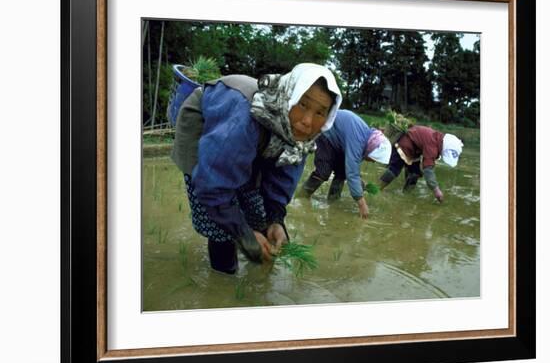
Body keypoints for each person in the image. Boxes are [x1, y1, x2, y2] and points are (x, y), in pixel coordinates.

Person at [171, 63, 342, 274]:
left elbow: (284, 175)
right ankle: (223, 276)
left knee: (259, 214)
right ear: (290, 96)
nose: (308, 121)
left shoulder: (303, 135)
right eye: (303, 104)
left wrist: (276, 219)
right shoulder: (244, 116)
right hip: (206, 124)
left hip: (251, 139)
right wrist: (243, 234)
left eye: (320, 113)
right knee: (220, 223)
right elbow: (211, 186)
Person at [300, 109, 392, 219]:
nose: (372, 161)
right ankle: (302, 197)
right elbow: (352, 173)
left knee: (342, 172)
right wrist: (362, 204)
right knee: (323, 172)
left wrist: (360, 184)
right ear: (371, 150)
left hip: (339, 143)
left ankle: (333, 201)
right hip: (327, 134)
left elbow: (351, 169)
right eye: (373, 159)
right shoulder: (358, 142)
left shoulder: (366, 139)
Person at [378, 125, 463, 203]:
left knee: (415, 173)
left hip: (414, 150)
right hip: (405, 144)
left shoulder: (437, 139)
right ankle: (377, 189)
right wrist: (436, 190)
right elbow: (428, 170)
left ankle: (405, 195)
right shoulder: (433, 145)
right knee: (395, 169)